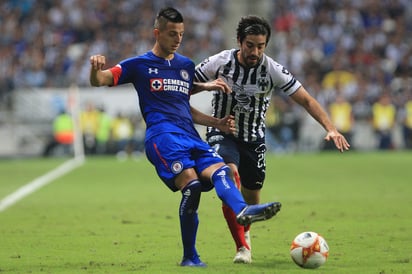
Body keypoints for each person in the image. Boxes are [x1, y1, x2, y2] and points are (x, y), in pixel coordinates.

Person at [88, 7, 281, 267]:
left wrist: (216, 122)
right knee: (191, 187)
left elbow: (183, 105)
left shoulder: (185, 65)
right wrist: (95, 69)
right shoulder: (139, 65)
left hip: (190, 136)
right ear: (157, 33)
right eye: (172, 34)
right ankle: (190, 256)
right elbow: (101, 79)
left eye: (181, 34)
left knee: (222, 171)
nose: (178, 39)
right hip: (162, 137)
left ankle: (243, 210)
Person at [193, 15, 350, 264]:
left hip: (254, 140)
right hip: (223, 132)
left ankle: (246, 232)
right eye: (250, 45)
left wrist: (330, 127)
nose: (255, 51)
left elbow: (306, 100)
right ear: (239, 42)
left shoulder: (272, 69)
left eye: (260, 46)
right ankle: (242, 247)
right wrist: (207, 86)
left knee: (252, 196)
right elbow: (186, 85)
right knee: (229, 174)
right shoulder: (220, 62)